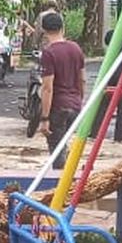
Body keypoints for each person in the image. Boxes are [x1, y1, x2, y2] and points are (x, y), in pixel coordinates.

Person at [36, 11, 85, 169]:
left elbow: (47, 88)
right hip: (75, 106)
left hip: (58, 107)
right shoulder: (76, 49)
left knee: (57, 154)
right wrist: (79, 100)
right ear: (62, 28)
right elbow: (82, 79)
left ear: (44, 30)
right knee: (65, 147)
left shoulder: (49, 53)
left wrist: (44, 118)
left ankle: (61, 189)